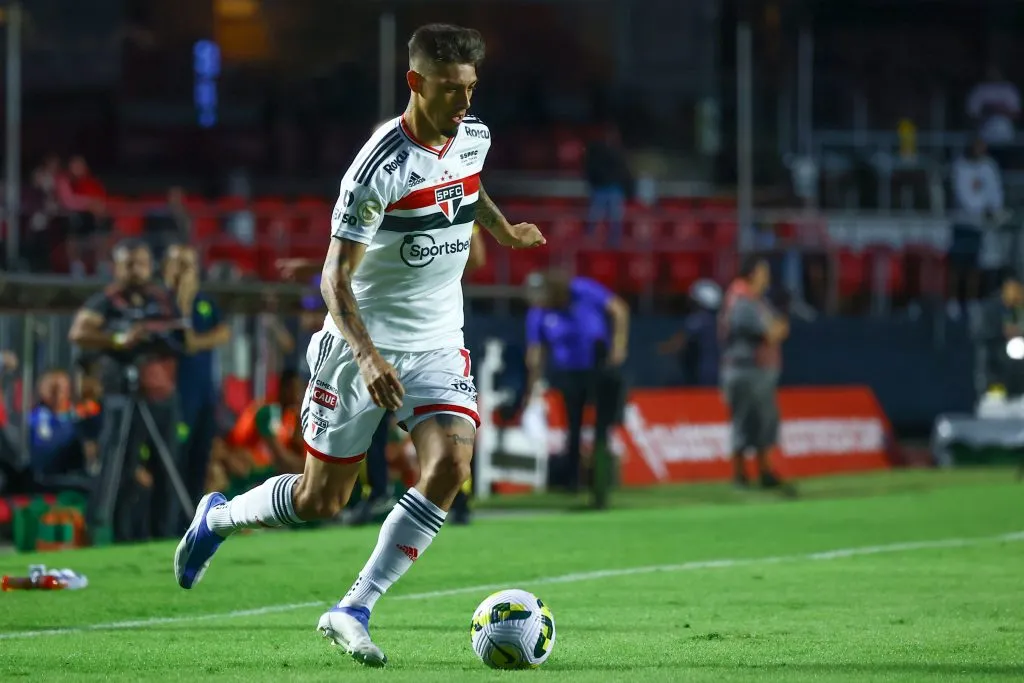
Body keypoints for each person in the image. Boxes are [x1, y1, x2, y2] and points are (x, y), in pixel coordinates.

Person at [174, 23, 545, 668]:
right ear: (415, 82)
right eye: (450, 89)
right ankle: (219, 518)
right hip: (359, 348)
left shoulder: (474, 136)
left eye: (470, 88)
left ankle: (355, 607)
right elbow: (332, 279)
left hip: (438, 343)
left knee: (451, 465)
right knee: (322, 499)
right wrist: (369, 358)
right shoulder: (379, 167)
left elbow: (468, 184)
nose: (463, 102)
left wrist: (503, 229)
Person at [69, 239, 185, 541]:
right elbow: (79, 333)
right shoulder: (106, 301)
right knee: (121, 469)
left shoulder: (162, 300)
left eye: (142, 263)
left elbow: (181, 336)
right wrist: (121, 340)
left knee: (167, 470)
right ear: (117, 267)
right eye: (129, 264)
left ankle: (167, 538)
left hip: (162, 394)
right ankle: (116, 536)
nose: (136, 270)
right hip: (123, 396)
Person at [524, 269, 629, 499]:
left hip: (599, 365)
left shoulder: (583, 290)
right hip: (568, 373)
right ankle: (573, 481)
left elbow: (619, 309)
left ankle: (601, 477)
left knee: (602, 424)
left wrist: (618, 346)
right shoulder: (539, 312)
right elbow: (535, 352)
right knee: (573, 426)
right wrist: (532, 386)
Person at [164, 244, 232, 508]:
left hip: (204, 396)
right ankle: (167, 520)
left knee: (200, 459)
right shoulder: (161, 303)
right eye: (181, 265)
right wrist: (183, 305)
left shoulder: (204, 302)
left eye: (191, 266)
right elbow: (186, 342)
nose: (187, 273)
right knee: (174, 461)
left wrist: (198, 341)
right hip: (175, 396)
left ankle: (192, 516)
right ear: (167, 268)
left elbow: (223, 333)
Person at [719, 254, 790, 491]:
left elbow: (780, 328)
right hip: (746, 370)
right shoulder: (742, 301)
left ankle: (764, 471)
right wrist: (777, 327)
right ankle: (740, 474)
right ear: (752, 273)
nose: (767, 277)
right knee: (744, 421)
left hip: (758, 370)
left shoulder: (756, 300)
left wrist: (778, 327)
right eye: (763, 272)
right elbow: (771, 332)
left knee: (764, 421)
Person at [948, 138, 1006, 320]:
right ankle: (954, 302)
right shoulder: (960, 166)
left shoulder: (989, 166)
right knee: (958, 266)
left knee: (976, 266)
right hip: (963, 222)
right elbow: (962, 194)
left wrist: (994, 210)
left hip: (981, 225)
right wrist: (980, 210)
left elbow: (995, 192)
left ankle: (972, 301)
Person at [976, 271, 1024, 398]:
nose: (1015, 292)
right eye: (1011, 288)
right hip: (997, 349)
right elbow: (984, 332)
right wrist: (1002, 331)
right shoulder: (993, 308)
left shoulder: (1020, 308)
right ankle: (994, 388)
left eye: (1018, 288)